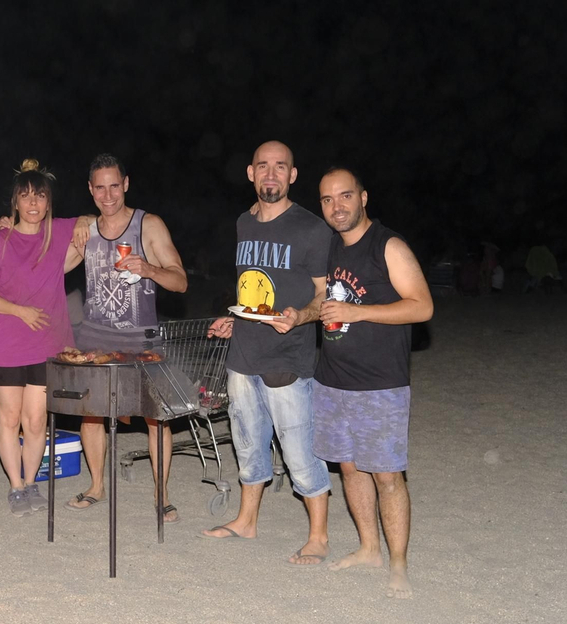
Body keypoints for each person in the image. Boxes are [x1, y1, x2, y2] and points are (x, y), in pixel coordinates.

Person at [203, 141, 333, 564]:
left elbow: (323, 296)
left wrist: (300, 317)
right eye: (264, 166)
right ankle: (247, 520)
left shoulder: (312, 229)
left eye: (281, 167)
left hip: (288, 359)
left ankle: (319, 536)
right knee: (247, 444)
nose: (271, 174)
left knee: (299, 450)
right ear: (250, 173)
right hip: (243, 354)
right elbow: (253, 288)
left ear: (293, 175)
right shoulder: (244, 222)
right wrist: (234, 318)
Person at [309, 168, 435, 599]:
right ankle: (368, 548)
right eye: (327, 200)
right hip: (332, 379)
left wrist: (361, 313)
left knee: (386, 476)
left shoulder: (388, 245)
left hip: (380, 384)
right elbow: (325, 300)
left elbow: (422, 307)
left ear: (364, 197)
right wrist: (300, 315)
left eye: (345, 196)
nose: (336, 206)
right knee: (347, 467)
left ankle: (398, 564)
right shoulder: (330, 247)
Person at [63, 155, 189, 521]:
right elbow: (44, 266)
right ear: (90, 190)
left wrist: (149, 268)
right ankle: (96, 486)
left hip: (142, 340)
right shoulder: (84, 230)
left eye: (114, 185)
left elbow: (180, 281)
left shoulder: (148, 225)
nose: (108, 194)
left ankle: (161, 494)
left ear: (126, 184)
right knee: (91, 414)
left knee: (156, 418)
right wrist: (11, 227)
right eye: (99, 187)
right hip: (94, 338)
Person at [0, 159, 85, 516]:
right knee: (9, 419)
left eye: (40, 196)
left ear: (49, 202)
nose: (33, 203)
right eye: (26, 196)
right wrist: (20, 311)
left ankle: (32, 481)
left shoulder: (59, 232)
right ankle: (15, 487)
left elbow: (103, 219)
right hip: (5, 346)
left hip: (47, 345)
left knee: (36, 422)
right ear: (15, 203)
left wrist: (82, 227)